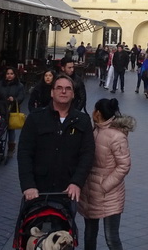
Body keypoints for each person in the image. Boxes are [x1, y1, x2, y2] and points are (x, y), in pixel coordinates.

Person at [79, 98, 135, 250]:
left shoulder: (116, 136)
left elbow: (124, 165)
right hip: (89, 191)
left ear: (98, 113)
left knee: (112, 237)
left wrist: (105, 185)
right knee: (89, 234)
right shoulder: (93, 131)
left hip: (108, 193)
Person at [18, 74, 95, 204]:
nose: (63, 91)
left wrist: (77, 182)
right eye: (59, 88)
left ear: (73, 94)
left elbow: (87, 154)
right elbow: (24, 152)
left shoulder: (82, 121)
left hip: (67, 190)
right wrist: (28, 185)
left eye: (68, 88)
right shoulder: (35, 118)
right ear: (52, 92)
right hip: (38, 190)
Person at [0, 66, 25, 159]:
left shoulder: (19, 86)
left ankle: (11, 149)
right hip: (0, 110)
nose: (9, 76)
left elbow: (21, 97)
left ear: (15, 75)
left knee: (11, 129)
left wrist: (14, 99)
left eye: (11, 74)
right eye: (8, 74)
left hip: (11, 110)